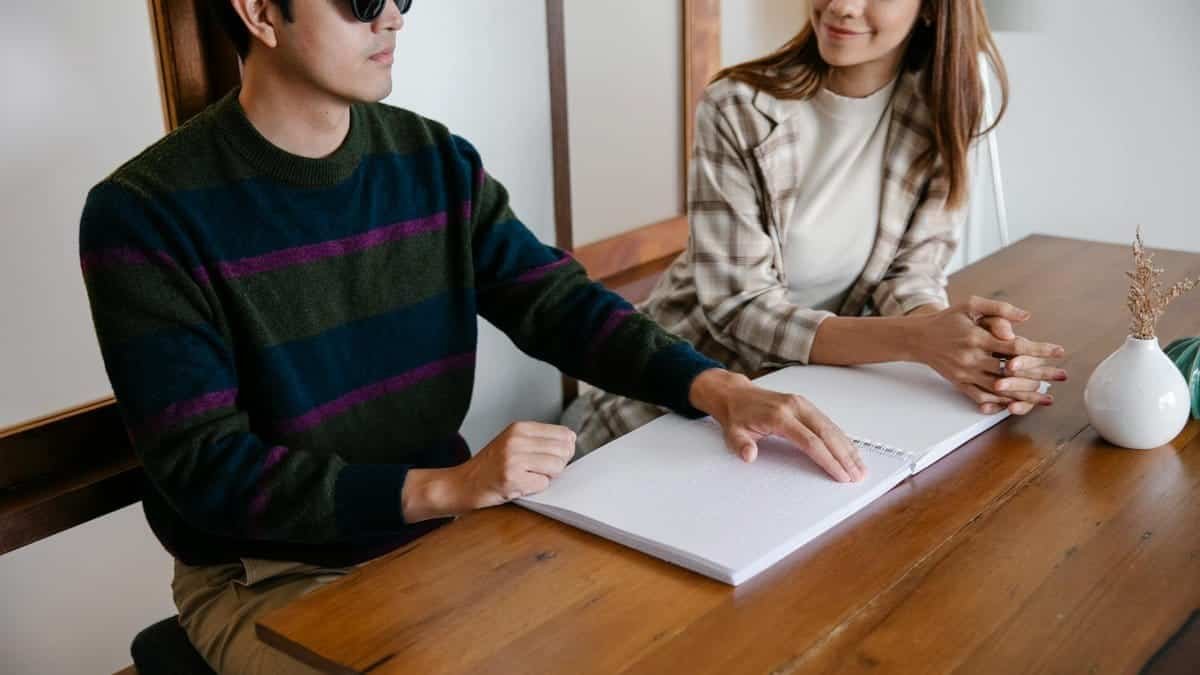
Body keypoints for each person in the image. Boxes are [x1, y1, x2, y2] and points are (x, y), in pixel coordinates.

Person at [78, 1, 864, 672]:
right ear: (256, 12)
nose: (391, 15)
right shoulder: (145, 215)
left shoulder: (431, 160)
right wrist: (447, 487)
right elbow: (205, 468)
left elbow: (557, 304)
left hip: (445, 537)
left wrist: (717, 388)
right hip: (268, 573)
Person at [566, 0, 1068, 455]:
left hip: (807, 401)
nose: (842, 7)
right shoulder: (738, 107)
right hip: (677, 395)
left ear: (933, 9)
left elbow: (908, 275)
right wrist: (917, 339)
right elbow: (739, 309)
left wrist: (959, 341)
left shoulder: (940, 109)